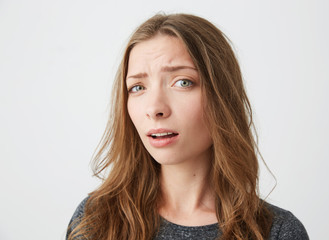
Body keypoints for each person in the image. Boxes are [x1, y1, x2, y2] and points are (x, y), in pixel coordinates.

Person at [66, 13, 309, 240]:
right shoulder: (96, 221)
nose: (155, 108)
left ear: (222, 96)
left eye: (182, 82)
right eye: (138, 87)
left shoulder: (276, 232)